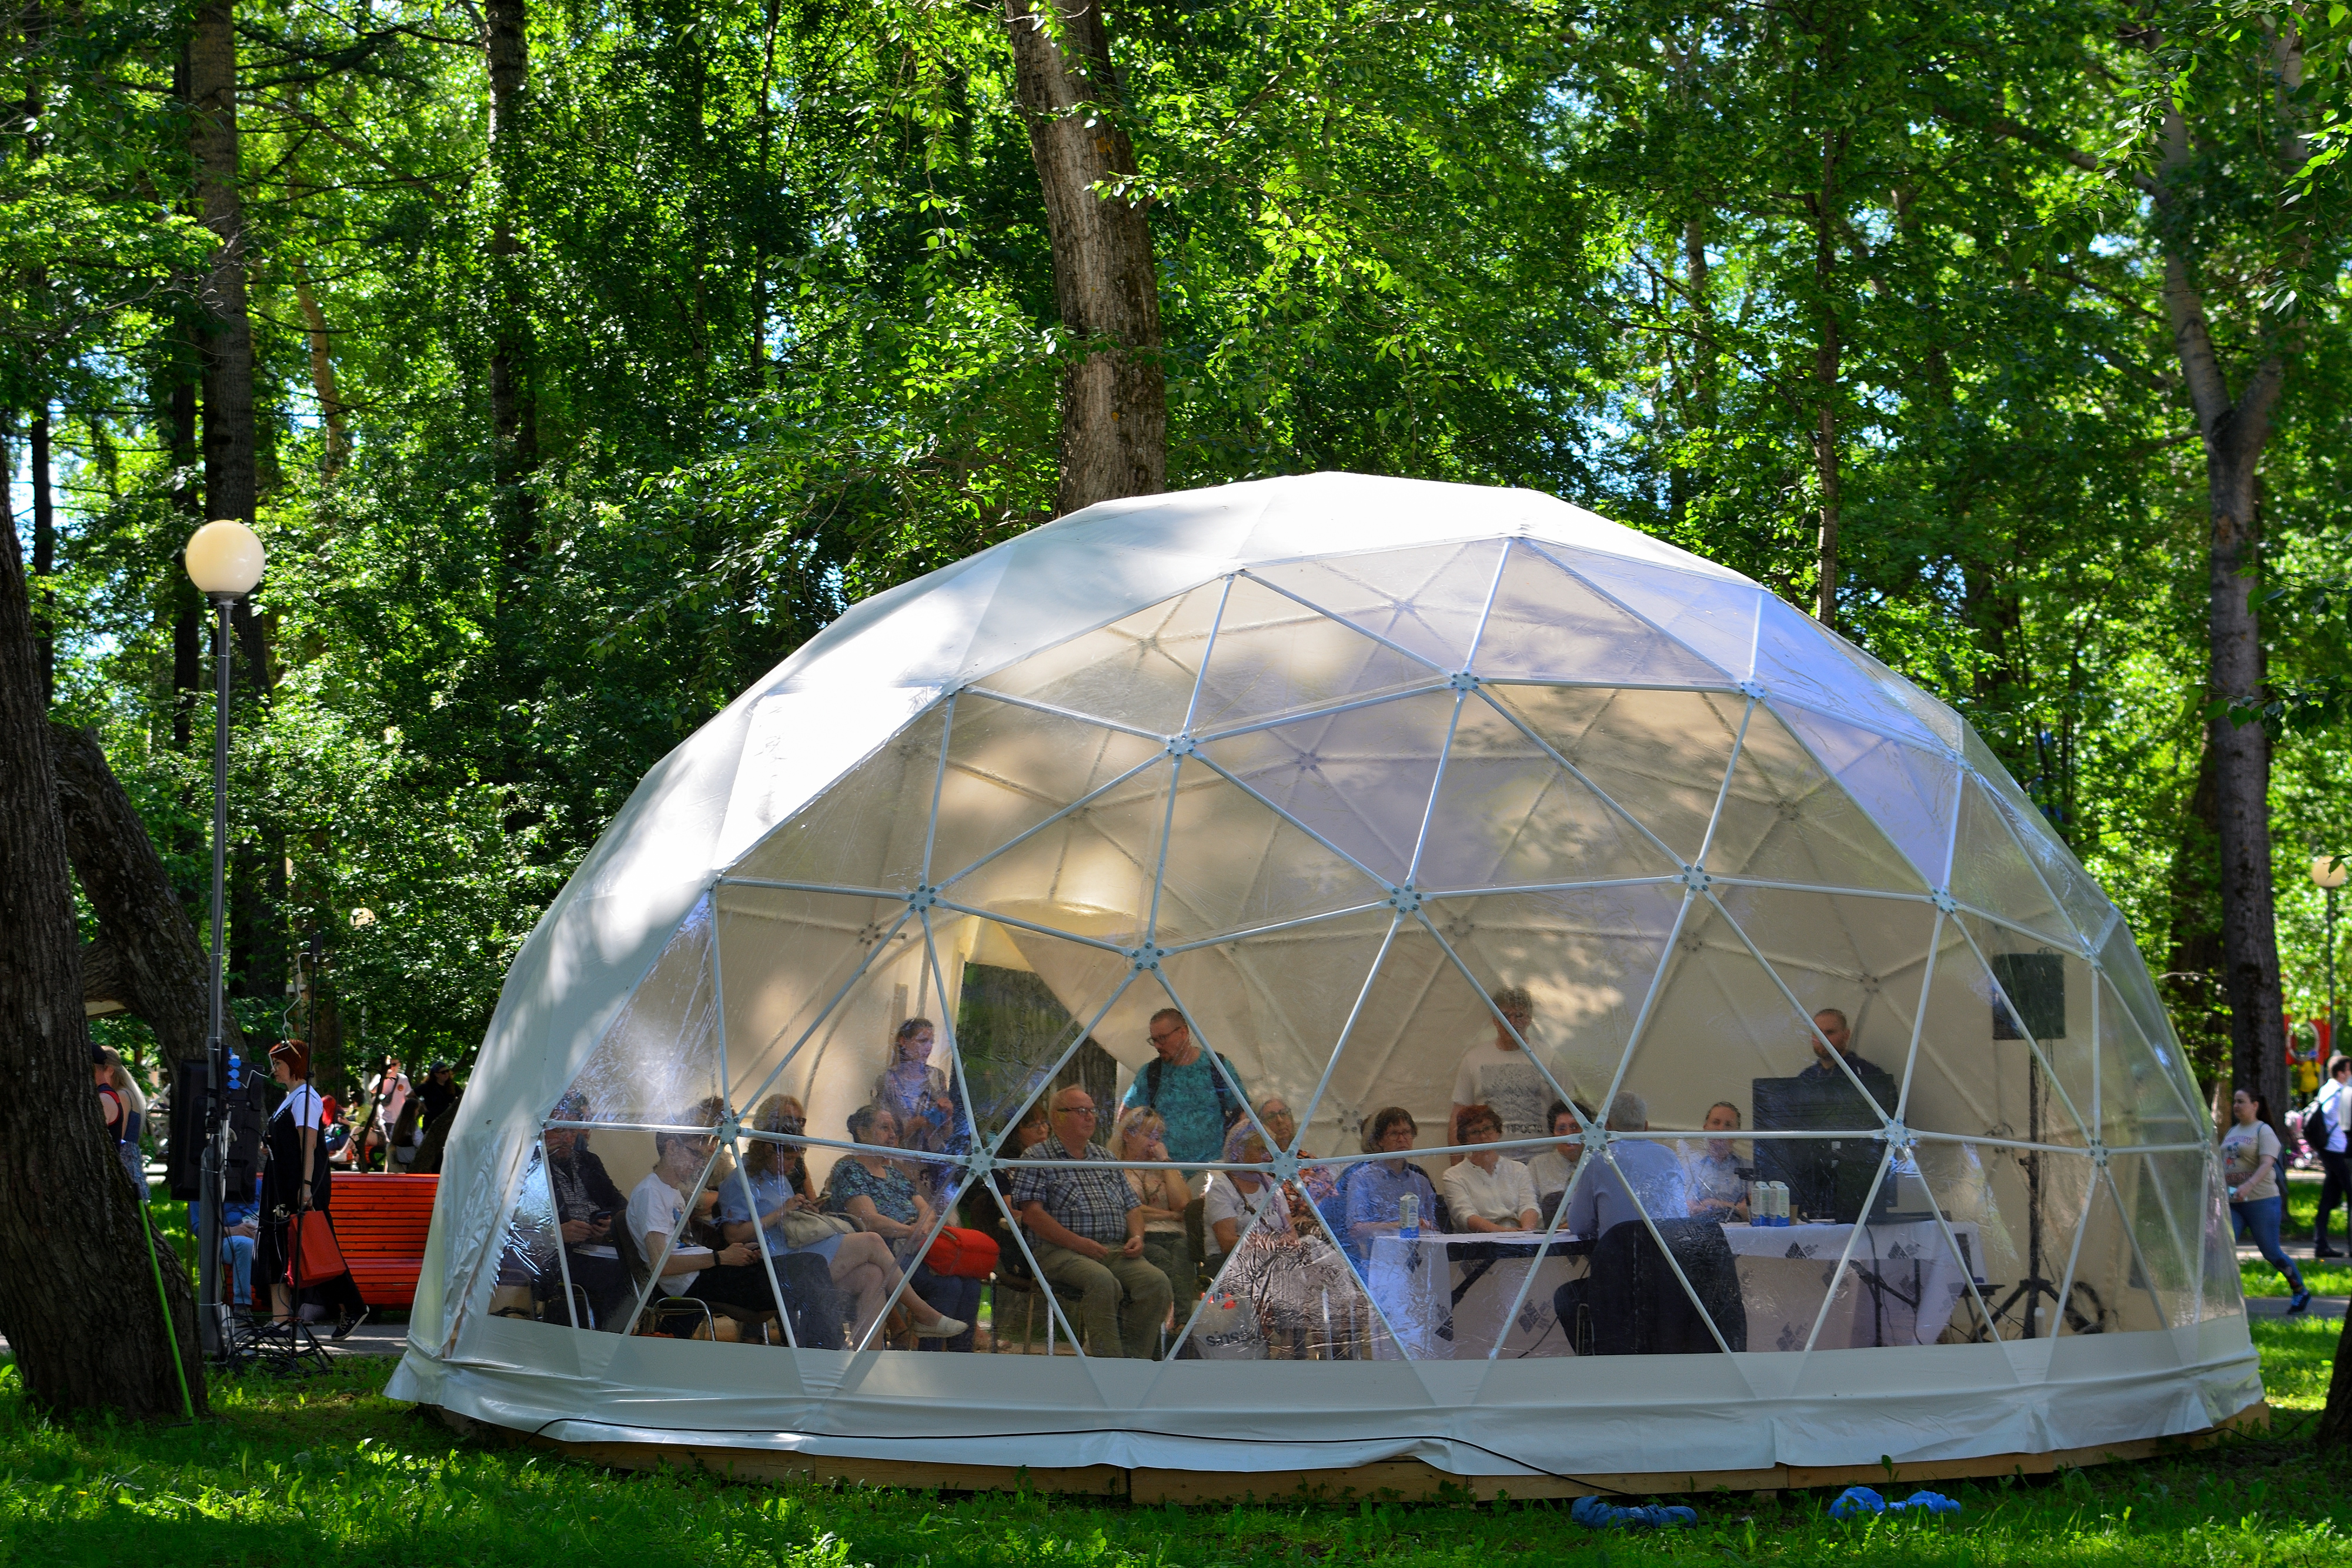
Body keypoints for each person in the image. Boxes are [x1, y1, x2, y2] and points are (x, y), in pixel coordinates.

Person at [1009, 1086, 1172, 1358]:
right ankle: (1109, 1367)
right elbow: (1032, 1214)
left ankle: (1133, 1365)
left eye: (1093, 1111)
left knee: (1156, 1283)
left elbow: (1132, 1207)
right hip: (1059, 1251)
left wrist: (1137, 1237)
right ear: (1058, 1117)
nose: (1090, 1117)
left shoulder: (1105, 1158)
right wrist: (1078, 1244)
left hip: (1112, 1249)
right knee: (1102, 1281)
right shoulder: (1037, 1157)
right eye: (1081, 1111)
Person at [820, 1104, 976, 1348]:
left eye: (894, 1128)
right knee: (948, 1285)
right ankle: (927, 1359)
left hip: (915, 1244)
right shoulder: (849, 1169)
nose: (893, 1134)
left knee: (969, 1283)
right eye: (884, 1128)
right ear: (861, 1132)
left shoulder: (894, 1173)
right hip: (886, 1249)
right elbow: (867, 1219)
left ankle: (959, 1359)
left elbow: (926, 1208)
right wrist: (908, 1231)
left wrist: (921, 1227)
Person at [628, 1127, 794, 1338]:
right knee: (799, 1273)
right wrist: (720, 1257)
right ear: (671, 1147)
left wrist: (730, 1255)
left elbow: (683, 1249)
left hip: (698, 1276)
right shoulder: (650, 1193)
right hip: (690, 1282)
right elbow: (662, 1265)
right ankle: (817, 1349)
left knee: (796, 1271)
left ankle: (812, 1347)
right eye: (696, 1154)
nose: (699, 1163)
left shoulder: (669, 1190)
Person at [255, 1039, 368, 1335]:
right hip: (282, 1183)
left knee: (314, 1249)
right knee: (282, 1248)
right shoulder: (292, 1098)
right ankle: (280, 1319)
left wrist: (305, 1187)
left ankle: (352, 1306)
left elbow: (310, 1144)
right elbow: (293, 1142)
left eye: (278, 1064)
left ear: (294, 1065)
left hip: (297, 1185)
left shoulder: (306, 1097)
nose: (274, 1070)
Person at [542, 1094, 633, 1329]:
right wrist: (556, 1233)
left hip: (594, 1247)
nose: (568, 1139)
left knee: (642, 1265)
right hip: (557, 1256)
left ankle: (611, 1337)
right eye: (560, 1130)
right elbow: (514, 1223)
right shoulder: (532, 1164)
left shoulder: (587, 1161)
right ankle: (603, 1339)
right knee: (619, 1273)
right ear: (542, 1128)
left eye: (573, 1131)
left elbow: (619, 1203)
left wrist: (609, 1222)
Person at [1120, 1008, 1249, 1172]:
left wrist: (1237, 1159)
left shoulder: (1216, 1067)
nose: (1158, 1046)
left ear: (1183, 1033)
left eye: (1163, 1038)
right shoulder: (1151, 1073)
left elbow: (1244, 1114)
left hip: (1213, 1171)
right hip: (1165, 1171)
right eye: (1154, 1040)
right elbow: (1126, 1119)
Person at [2223, 1088, 2311, 1313]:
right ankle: (2223, 1298)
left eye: (2241, 1102)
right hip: (2234, 1202)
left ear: (2255, 1106)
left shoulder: (2264, 1131)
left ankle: (2299, 1290)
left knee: (2271, 1252)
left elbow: (2266, 1164)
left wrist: (2248, 1186)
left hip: (2262, 1201)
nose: (2236, 1106)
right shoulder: (2232, 1132)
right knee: (2222, 1248)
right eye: (2235, 1102)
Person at [1563, 1092, 1689, 1240]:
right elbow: (1680, 1215)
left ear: (1606, 1127)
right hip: (1666, 1258)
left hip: (1619, 1258)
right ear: (1646, 1126)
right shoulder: (1670, 1157)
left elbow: (1579, 1225)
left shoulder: (1599, 1160)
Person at [1114, 1106, 1197, 1322]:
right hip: (1138, 1236)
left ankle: (1179, 1323)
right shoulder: (1115, 1167)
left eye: (1158, 1137)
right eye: (1148, 1135)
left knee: (1184, 1250)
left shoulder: (1164, 1167)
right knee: (1161, 1259)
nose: (1154, 1143)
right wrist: (1169, 1215)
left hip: (1175, 1236)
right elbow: (1130, 1208)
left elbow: (1183, 1204)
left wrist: (1166, 1162)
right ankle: (1171, 1325)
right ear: (1127, 1135)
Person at [1451, 985, 1550, 1154]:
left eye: (1519, 1015)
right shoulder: (1474, 1059)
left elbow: (1568, 1114)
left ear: (1529, 1019)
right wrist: (1457, 1165)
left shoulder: (1549, 1058)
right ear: (1494, 1019)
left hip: (1540, 1160)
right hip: (1490, 1161)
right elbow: (1458, 1117)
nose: (1511, 1023)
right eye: (1505, 1016)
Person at [1343, 1106, 1439, 1269]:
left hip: (1420, 1261)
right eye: (1394, 1133)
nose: (1402, 1139)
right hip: (1378, 1263)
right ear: (1380, 1140)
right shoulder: (1362, 1179)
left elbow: (1435, 1228)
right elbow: (1356, 1230)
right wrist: (1399, 1225)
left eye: (1407, 1132)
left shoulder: (1421, 1182)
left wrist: (1427, 1225)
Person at [873, 1018, 964, 1173]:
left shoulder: (936, 1077)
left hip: (931, 1164)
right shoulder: (888, 1081)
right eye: (922, 1041)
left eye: (931, 1042)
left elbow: (947, 1134)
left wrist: (948, 1116)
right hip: (897, 1163)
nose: (928, 1048)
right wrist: (919, 1122)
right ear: (903, 1042)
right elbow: (881, 1135)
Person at [1438, 1105, 1540, 1232]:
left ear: (1498, 1131)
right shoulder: (1453, 1175)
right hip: (1480, 1244)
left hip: (1521, 1238)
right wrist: (1504, 1233)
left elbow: (1529, 1206)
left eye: (1488, 1129)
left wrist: (1526, 1232)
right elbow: (1465, 1216)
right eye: (1475, 1132)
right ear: (1465, 1138)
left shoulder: (1519, 1169)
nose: (1483, 1137)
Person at [1202, 1124, 1294, 1266]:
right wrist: (1272, 1245)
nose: (1268, 1156)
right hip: (1234, 1265)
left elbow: (1292, 1233)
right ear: (1238, 1151)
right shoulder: (1221, 1187)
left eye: (1269, 1150)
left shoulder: (1271, 1184)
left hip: (1275, 1259)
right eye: (1261, 1149)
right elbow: (1227, 1244)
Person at [1797, 1008, 1897, 1112]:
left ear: (1846, 1035)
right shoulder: (1806, 1078)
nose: (1822, 1038)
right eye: (1816, 1032)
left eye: (1830, 1032)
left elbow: (1891, 1121)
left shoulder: (1867, 1074)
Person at [2310, 1055, 2351, 1258]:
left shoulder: (2326, 1088)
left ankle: (2321, 1244)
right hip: (2336, 1151)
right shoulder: (2341, 1092)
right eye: (2349, 1070)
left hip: (2328, 1150)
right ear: (2342, 1073)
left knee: (2328, 1198)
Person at [1682, 1101, 1749, 1221]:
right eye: (1716, 1123)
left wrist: (1714, 1203)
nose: (1721, 1129)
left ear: (1737, 1132)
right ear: (1706, 1127)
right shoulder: (1690, 1166)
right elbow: (1687, 1209)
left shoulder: (1749, 1168)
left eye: (1728, 1125)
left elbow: (1753, 1211)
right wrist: (1735, 1208)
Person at [93, 1046, 146, 1184]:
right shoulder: (128, 1093)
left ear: (110, 1070)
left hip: (124, 1164)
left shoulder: (121, 1095)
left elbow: (117, 1136)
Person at [1525, 1099, 1589, 1209]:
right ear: (1553, 1134)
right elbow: (1530, 1207)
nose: (1569, 1134)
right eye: (1561, 1129)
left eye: (1575, 1127)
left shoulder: (1597, 1163)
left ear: (1586, 1130)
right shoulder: (1537, 1166)